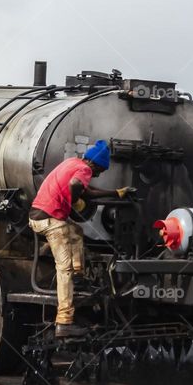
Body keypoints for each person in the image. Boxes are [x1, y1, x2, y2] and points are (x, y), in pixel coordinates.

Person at [28, 139, 134, 338]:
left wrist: (116, 193)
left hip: (37, 215)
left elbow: (89, 192)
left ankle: (79, 275)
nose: (97, 175)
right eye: (99, 171)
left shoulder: (72, 163)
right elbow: (76, 185)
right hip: (50, 221)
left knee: (76, 231)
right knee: (63, 269)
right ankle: (64, 321)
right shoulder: (84, 171)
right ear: (95, 164)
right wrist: (74, 199)